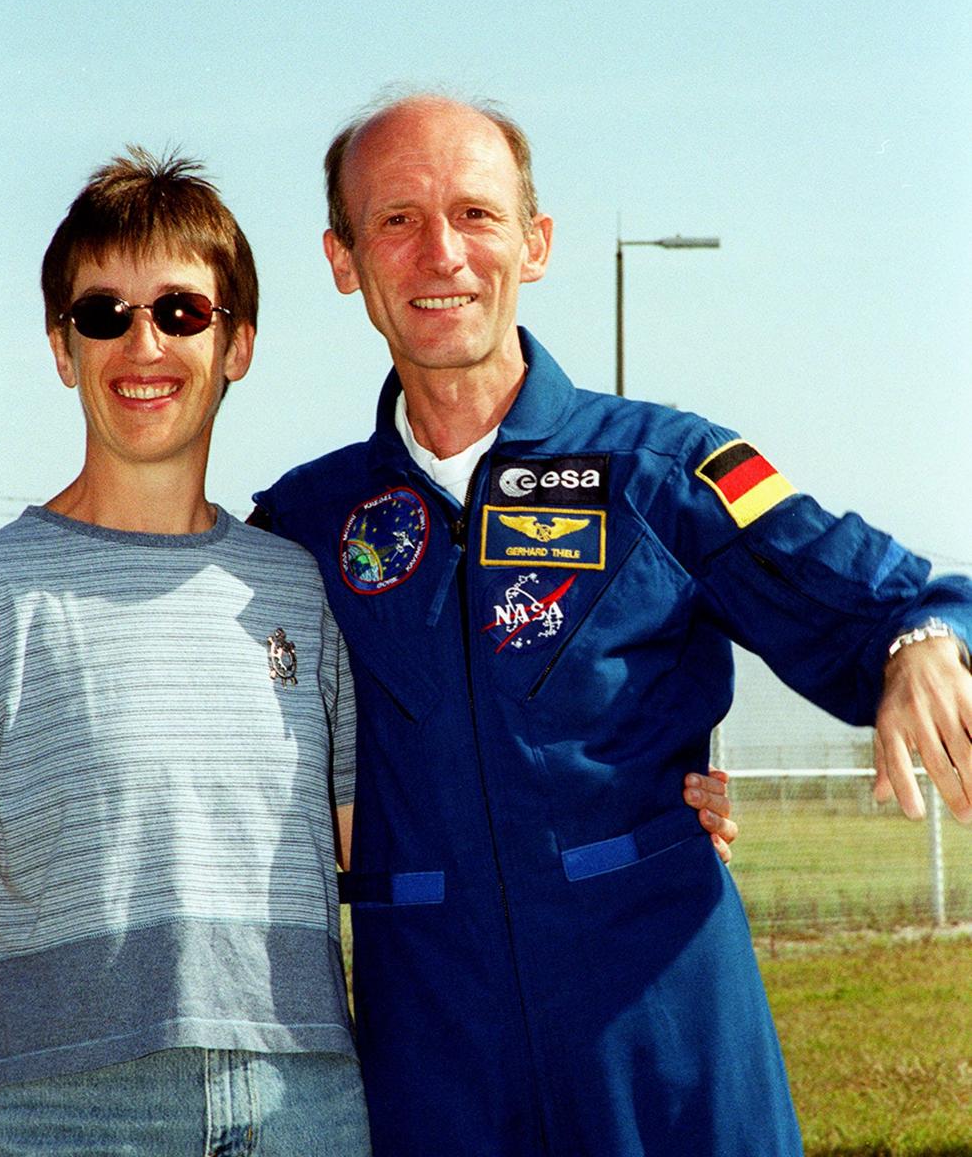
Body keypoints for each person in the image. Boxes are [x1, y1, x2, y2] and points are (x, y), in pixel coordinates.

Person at [251, 94, 972, 1157]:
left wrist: (921, 643)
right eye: (395, 219)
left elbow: (891, 597)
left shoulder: (662, 473)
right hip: (431, 1070)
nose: (439, 251)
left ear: (534, 245)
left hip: (669, 1050)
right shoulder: (302, 529)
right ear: (343, 259)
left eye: (476, 214)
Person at [0, 149, 373, 1156]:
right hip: (73, 1104)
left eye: (181, 312)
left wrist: (651, 800)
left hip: (311, 1098)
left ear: (236, 342)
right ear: (63, 348)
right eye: (102, 313)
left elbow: (388, 844)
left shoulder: (298, 587)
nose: (141, 341)